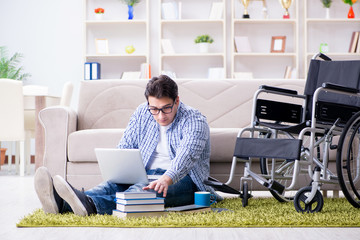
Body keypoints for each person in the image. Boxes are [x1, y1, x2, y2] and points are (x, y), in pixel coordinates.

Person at [34, 75, 221, 216]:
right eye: (154, 109)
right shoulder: (142, 112)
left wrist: (166, 178)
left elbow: (186, 156)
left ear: (177, 101)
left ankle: (89, 204)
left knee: (139, 192)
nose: (161, 116)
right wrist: (118, 169)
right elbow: (126, 144)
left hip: (183, 181)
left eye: (166, 108)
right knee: (109, 186)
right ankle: (65, 202)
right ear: (148, 103)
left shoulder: (195, 120)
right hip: (143, 173)